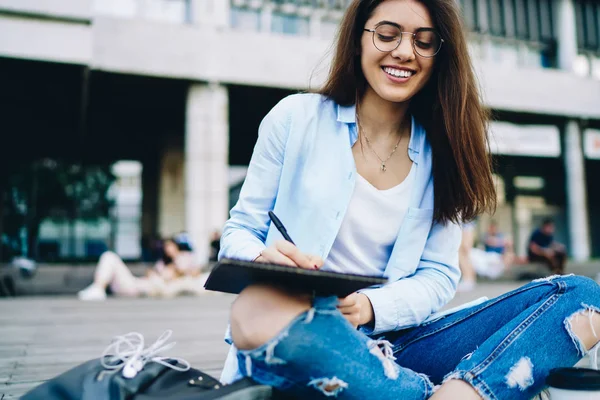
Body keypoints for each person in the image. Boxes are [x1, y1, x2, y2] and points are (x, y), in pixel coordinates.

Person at [218, 1, 600, 399]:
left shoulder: (445, 151)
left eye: (424, 41)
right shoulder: (295, 119)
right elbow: (241, 230)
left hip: (404, 344)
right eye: (387, 34)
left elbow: (438, 275)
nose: (404, 51)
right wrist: (263, 259)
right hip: (311, 336)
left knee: (583, 297)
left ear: (440, 57)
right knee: (256, 309)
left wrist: (369, 306)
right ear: (358, 40)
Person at [78, 233, 203, 301]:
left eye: (170, 246)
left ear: (176, 246)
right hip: (140, 283)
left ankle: (98, 288)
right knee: (109, 256)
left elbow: (189, 272)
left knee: (110, 256)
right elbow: (153, 273)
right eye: (166, 246)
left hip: (140, 288)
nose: (167, 249)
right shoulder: (163, 262)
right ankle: (98, 287)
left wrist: (175, 260)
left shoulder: (183, 257)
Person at [457, 221, 477, 292]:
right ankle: (468, 279)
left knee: (464, 251)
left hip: (466, 222)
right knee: (462, 252)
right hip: (465, 223)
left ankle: (469, 279)